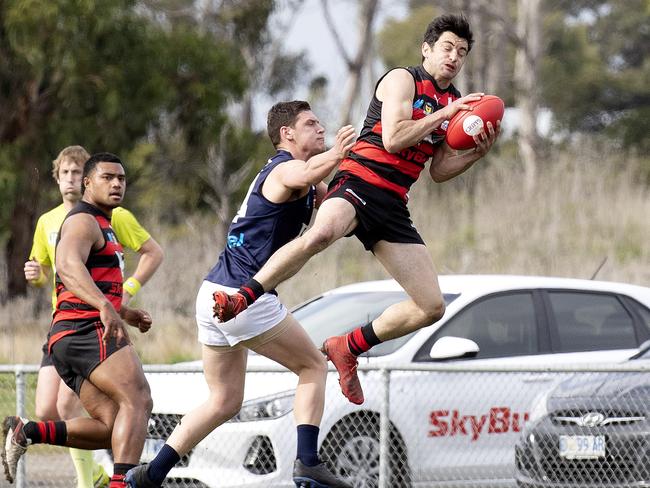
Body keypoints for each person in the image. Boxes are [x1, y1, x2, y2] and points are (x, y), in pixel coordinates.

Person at [213, 14, 501, 405]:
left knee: (431, 306)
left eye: (462, 52)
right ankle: (243, 296)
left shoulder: (454, 101)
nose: (454, 57)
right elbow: (395, 138)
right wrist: (445, 116)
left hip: (393, 202)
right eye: (447, 48)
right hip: (359, 180)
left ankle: (348, 345)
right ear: (427, 49)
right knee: (321, 233)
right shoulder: (403, 79)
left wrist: (474, 154)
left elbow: (438, 171)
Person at [124, 101, 355, 488]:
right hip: (243, 296)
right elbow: (310, 171)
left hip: (213, 294)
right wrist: (338, 152)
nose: (321, 128)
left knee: (224, 401)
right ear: (288, 134)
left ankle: (152, 473)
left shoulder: (305, 180)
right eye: (311, 123)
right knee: (313, 366)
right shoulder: (285, 168)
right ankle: (308, 463)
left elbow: (335, 202)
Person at [2, 153, 154, 488]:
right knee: (139, 398)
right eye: (107, 177)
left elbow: (92, 281)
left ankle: (28, 431)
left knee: (113, 425)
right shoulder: (83, 220)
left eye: (122, 178)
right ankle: (121, 484)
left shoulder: (105, 223)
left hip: (70, 335)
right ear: (87, 183)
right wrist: (104, 307)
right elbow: (68, 266)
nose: (116, 184)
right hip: (85, 329)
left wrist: (123, 311)